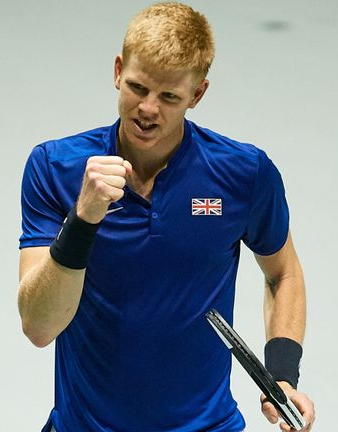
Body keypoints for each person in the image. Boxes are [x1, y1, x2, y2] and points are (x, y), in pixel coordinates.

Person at [17, 3, 315, 431]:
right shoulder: (56, 167)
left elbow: (283, 272)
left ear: (197, 94)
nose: (148, 109)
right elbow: (38, 326)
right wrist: (83, 218)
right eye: (138, 87)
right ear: (118, 71)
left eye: (169, 96)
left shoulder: (244, 174)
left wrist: (283, 374)